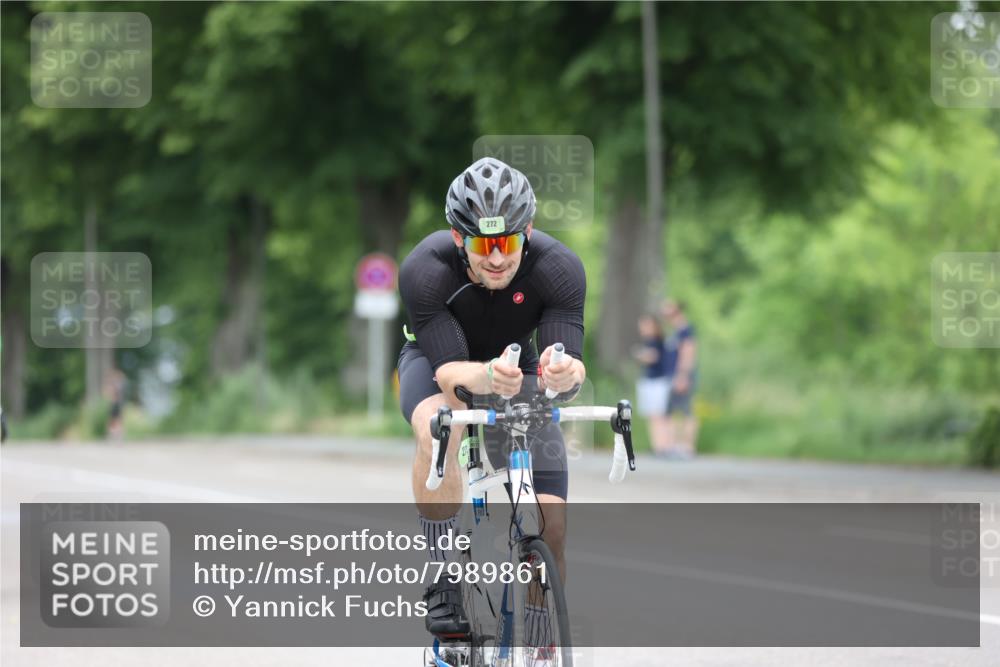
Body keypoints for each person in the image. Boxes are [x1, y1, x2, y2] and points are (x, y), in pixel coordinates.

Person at [396, 157, 586, 646]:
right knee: (440, 423)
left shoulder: (559, 268)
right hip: (436, 362)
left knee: (552, 525)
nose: (498, 258)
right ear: (459, 238)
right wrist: (487, 376)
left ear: (528, 232)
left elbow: (569, 366)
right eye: (484, 245)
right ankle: (444, 577)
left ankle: (541, 643)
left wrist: (565, 373)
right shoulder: (425, 269)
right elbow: (448, 375)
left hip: (516, 368)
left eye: (509, 242)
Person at [660, 300, 699, 459]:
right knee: (671, 412)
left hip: (681, 376)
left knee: (686, 411)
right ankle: (673, 446)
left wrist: (683, 376)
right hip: (672, 376)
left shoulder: (685, 330)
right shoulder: (674, 331)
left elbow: (688, 352)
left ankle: (688, 447)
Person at [632, 314, 671, 456]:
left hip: (657, 382)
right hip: (650, 381)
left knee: (659, 415)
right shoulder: (649, 341)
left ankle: (663, 446)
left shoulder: (657, 341)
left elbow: (652, 357)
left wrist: (640, 355)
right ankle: (658, 446)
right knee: (652, 416)